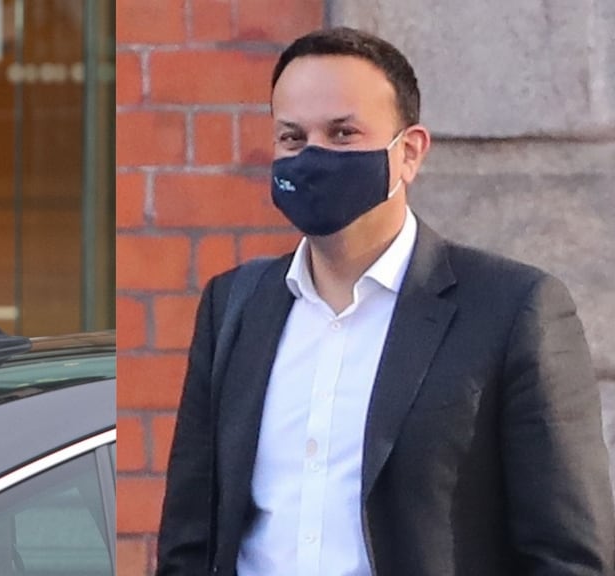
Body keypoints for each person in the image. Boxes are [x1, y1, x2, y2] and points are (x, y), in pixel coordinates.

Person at [156, 27, 615, 575]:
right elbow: (189, 537)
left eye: (343, 133)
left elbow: (569, 555)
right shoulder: (234, 306)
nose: (313, 156)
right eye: (293, 138)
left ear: (410, 153)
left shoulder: (514, 310)